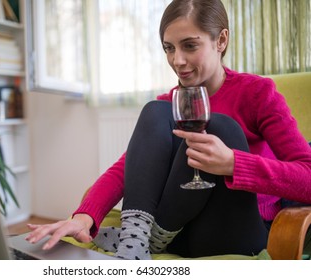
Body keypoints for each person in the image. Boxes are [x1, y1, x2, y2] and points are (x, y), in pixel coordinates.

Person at [26, 0, 311, 259]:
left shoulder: (257, 93)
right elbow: (127, 169)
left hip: (237, 227)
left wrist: (234, 164)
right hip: (182, 230)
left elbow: (307, 175)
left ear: (221, 40)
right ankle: (135, 241)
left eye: (189, 45)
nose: (177, 61)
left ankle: (146, 239)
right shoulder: (168, 105)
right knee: (155, 109)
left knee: (221, 127)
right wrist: (84, 216)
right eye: (169, 48)